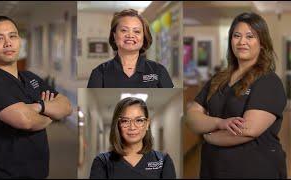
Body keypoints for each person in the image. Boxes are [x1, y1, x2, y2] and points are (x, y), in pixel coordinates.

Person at [186, 12, 287, 179]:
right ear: (230, 40)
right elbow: (191, 116)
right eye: (237, 36)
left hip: (255, 170)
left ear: (262, 43)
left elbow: (249, 129)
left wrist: (208, 136)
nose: (242, 42)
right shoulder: (219, 79)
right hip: (214, 169)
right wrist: (220, 122)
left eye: (250, 36)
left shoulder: (268, 81)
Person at [0, 16, 73, 179]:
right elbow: (25, 120)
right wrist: (49, 114)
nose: (8, 43)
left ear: (19, 41)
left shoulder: (30, 77)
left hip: (37, 172)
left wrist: (38, 107)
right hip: (1, 174)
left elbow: (66, 106)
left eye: (13, 36)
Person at [89, 97, 176, 179]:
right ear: (118, 125)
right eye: (125, 121)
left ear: (147, 124)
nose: (132, 127)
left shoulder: (163, 161)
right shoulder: (102, 162)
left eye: (139, 120)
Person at [87, 9, 174, 88]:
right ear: (114, 35)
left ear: (144, 37)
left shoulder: (158, 71)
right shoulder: (99, 73)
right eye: (124, 30)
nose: (130, 35)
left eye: (137, 31)